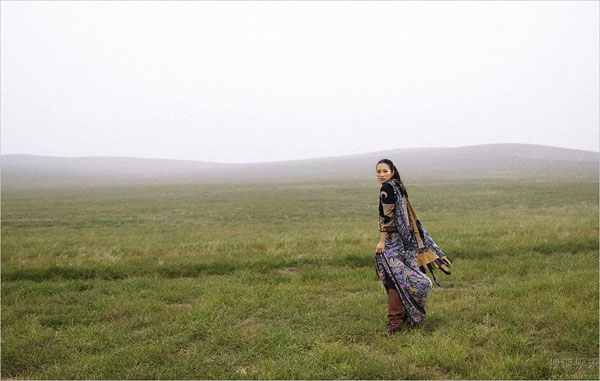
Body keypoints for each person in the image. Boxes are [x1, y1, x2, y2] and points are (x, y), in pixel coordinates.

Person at [374, 158, 452, 337]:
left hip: (393, 240)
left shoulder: (387, 188)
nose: (381, 174)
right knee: (399, 276)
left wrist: (382, 241)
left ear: (392, 172)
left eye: (385, 171)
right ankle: (407, 315)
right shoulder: (398, 186)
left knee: (393, 277)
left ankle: (396, 323)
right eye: (378, 171)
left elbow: (388, 218)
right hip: (405, 241)